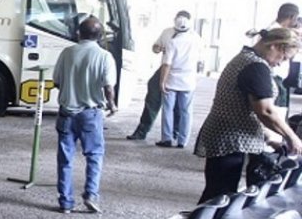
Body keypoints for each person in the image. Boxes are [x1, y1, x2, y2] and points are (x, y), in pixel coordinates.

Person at [193, 27, 302, 204]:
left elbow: (242, 109)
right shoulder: (256, 67)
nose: (281, 63)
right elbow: (265, 111)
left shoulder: (246, 59)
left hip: (225, 134)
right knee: (218, 197)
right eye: (284, 57)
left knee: (218, 193)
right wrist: (292, 138)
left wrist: (268, 138)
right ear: (275, 46)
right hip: (229, 139)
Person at [52, 16, 116, 214]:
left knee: (65, 158)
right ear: (100, 35)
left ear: (79, 33)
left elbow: (56, 82)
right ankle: (91, 195)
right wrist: (112, 105)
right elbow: (108, 87)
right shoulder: (105, 56)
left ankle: (66, 202)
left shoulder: (67, 53)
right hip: (91, 113)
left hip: (66, 113)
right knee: (94, 155)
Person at [127, 11, 189, 141]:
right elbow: (155, 47)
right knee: (153, 96)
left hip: (182, 71)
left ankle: (175, 132)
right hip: (165, 68)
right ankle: (142, 130)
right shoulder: (167, 32)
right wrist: (158, 48)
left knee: (179, 104)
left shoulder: (192, 36)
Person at [156, 12, 204, 149]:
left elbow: (167, 64)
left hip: (171, 79)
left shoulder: (172, 41)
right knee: (186, 111)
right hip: (188, 80)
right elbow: (201, 61)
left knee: (168, 110)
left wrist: (162, 82)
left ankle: (167, 138)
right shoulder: (196, 39)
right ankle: (182, 141)